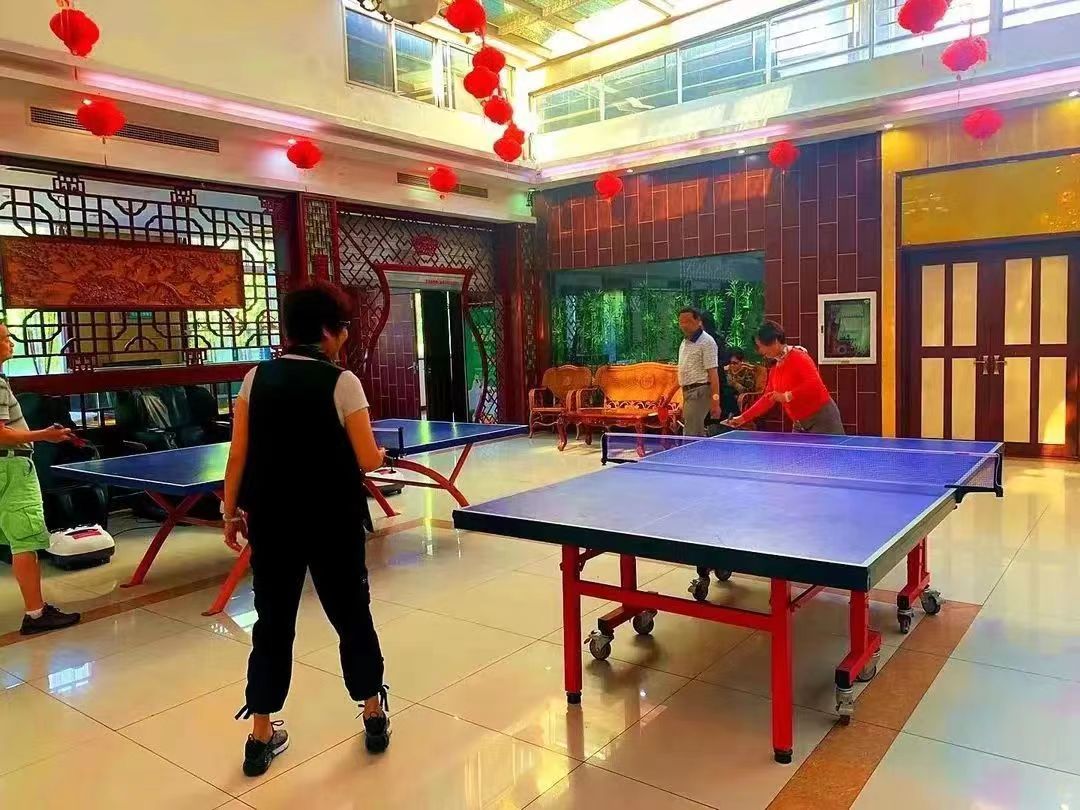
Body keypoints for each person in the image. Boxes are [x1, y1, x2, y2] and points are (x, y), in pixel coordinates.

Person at [222, 282, 391, 778]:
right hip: (332, 522)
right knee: (352, 616)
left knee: (273, 624)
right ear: (326, 331)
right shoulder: (343, 382)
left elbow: (238, 454)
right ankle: (373, 713)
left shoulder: (255, 379)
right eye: (343, 327)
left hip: (273, 522)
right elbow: (368, 458)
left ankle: (260, 736)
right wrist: (381, 453)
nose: (345, 337)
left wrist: (230, 513)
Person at [0, 323, 82, 635]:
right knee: (24, 541)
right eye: (4, 338)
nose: (10, 343)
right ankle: (36, 614)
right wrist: (44, 435)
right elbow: (1, 434)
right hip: (11, 468)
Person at [726, 320, 844, 434]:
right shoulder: (775, 366)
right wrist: (742, 418)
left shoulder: (798, 356)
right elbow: (768, 398)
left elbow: (813, 384)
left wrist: (787, 396)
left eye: (760, 346)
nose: (760, 351)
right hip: (799, 423)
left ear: (775, 341)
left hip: (822, 419)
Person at [676, 306, 721, 437]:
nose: (684, 325)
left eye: (688, 321)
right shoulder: (685, 342)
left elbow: (713, 374)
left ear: (698, 321)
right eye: (681, 322)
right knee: (695, 432)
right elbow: (683, 370)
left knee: (691, 434)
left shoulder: (707, 342)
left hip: (700, 392)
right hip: (688, 392)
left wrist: (716, 402)